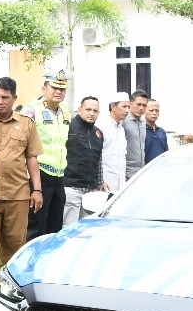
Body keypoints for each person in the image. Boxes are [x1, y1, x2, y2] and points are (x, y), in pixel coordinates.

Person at [0, 77, 42, 311]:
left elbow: (31, 158)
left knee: (15, 245)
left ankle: (10, 291)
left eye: (5, 97)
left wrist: (37, 189)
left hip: (18, 194)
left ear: (14, 98)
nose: (0, 102)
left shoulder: (26, 124)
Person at [22, 70, 70, 240]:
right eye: (54, 87)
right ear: (44, 88)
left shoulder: (65, 112)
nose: (58, 92)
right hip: (39, 174)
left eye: (62, 89)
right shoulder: (31, 110)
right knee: (36, 226)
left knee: (55, 227)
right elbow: (23, 144)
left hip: (59, 175)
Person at [62, 97, 105, 226]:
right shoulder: (68, 127)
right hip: (71, 187)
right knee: (68, 228)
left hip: (91, 190)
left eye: (95, 111)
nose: (91, 113)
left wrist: (99, 181)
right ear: (79, 109)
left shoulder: (98, 133)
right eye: (88, 109)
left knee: (87, 229)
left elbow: (99, 159)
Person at [100, 93, 129, 196]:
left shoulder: (121, 129)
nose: (127, 110)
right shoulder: (101, 126)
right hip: (105, 185)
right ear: (113, 107)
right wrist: (100, 180)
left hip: (120, 186)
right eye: (124, 106)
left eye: (128, 107)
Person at [122, 89, 149, 180]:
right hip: (126, 172)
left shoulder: (143, 122)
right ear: (130, 104)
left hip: (141, 171)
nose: (141, 108)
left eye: (144, 105)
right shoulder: (123, 121)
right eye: (138, 104)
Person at [144, 99, 169, 163]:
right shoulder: (141, 131)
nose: (154, 113)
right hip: (145, 170)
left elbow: (166, 153)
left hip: (160, 169)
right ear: (144, 111)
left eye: (156, 110)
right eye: (151, 110)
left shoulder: (161, 132)